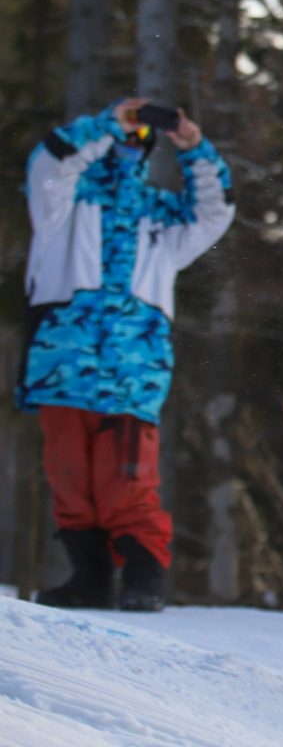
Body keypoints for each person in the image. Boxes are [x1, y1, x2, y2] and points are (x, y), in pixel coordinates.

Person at [18, 96, 235, 611]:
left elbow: (216, 209)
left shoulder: (161, 215)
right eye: (126, 128)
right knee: (69, 478)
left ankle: (142, 579)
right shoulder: (63, 204)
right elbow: (49, 163)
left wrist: (195, 148)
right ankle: (88, 578)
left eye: (140, 132)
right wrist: (104, 123)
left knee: (127, 482)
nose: (129, 140)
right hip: (63, 367)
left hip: (131, 374)